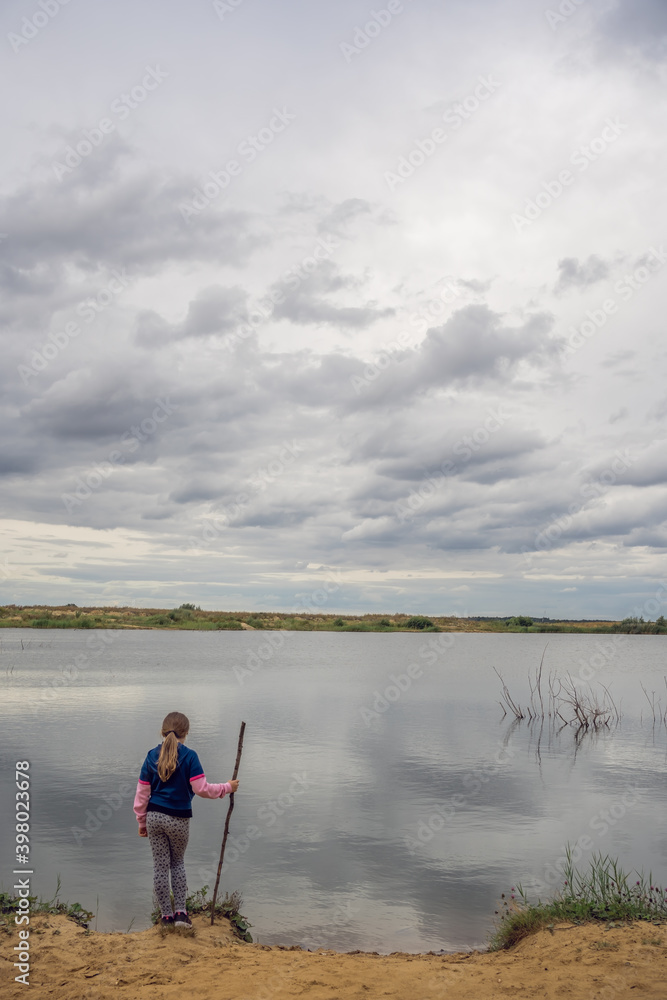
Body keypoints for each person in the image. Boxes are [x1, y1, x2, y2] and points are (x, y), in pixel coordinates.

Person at [134, 711, 240, 927]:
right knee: (177, 863)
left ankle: (166, 917)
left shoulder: (151, 755)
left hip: (154, 817)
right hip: (178, 818)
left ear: (162, 732)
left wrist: (141, 822)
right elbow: (201, 789)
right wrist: (227, 788)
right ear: (186, 733)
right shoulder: (190, 756)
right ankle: (181, 914)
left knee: (160, 867)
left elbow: (142, 793)